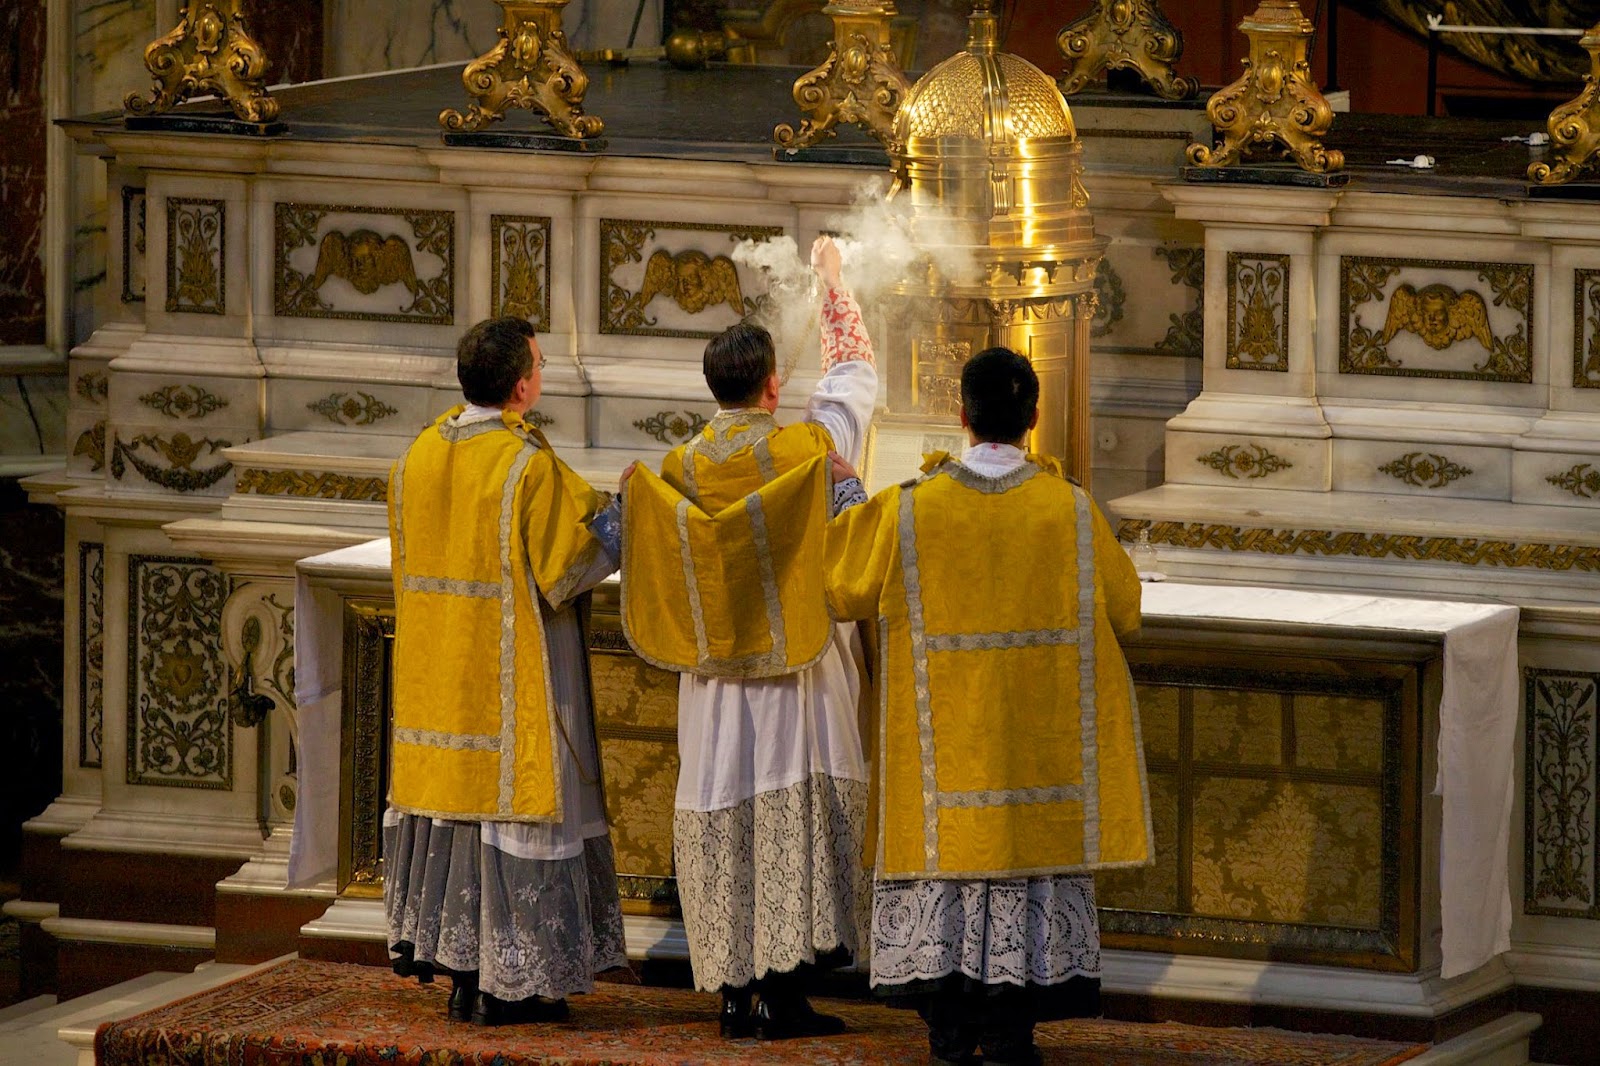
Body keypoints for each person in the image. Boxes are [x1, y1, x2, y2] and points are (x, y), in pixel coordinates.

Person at [824, 347, 1152, 1066]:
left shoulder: (911, 507)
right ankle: (1011, 1032)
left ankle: (948, 1031)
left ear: (962, 417)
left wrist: (847, 497)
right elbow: (1127, 613)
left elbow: (840, 585)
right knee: (1024, 876)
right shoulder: (1069, 509)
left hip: (940, 774)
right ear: (1034, 419)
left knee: (949, 877)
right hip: (1038, 764)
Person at [616, 235, 877, 1040]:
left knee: (728, 820)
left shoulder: (677, 466)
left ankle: (732, 996)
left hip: (717, 684)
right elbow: (854, 376)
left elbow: (635, 522)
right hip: (797, 676)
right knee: (790, 823)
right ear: (773, 386)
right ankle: (786, 996)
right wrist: (833, 282)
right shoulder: (808, 448)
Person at [383, 316, 627, 1026]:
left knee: (455, 815)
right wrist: (621, 518)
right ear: (523, 385)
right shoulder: (525, 463)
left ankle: (460, 972)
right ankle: (513, 982)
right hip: (512, 672)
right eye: (541, 366)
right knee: (512, 818)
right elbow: (566, 568)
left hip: (438, 673)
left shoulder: (418, 454)